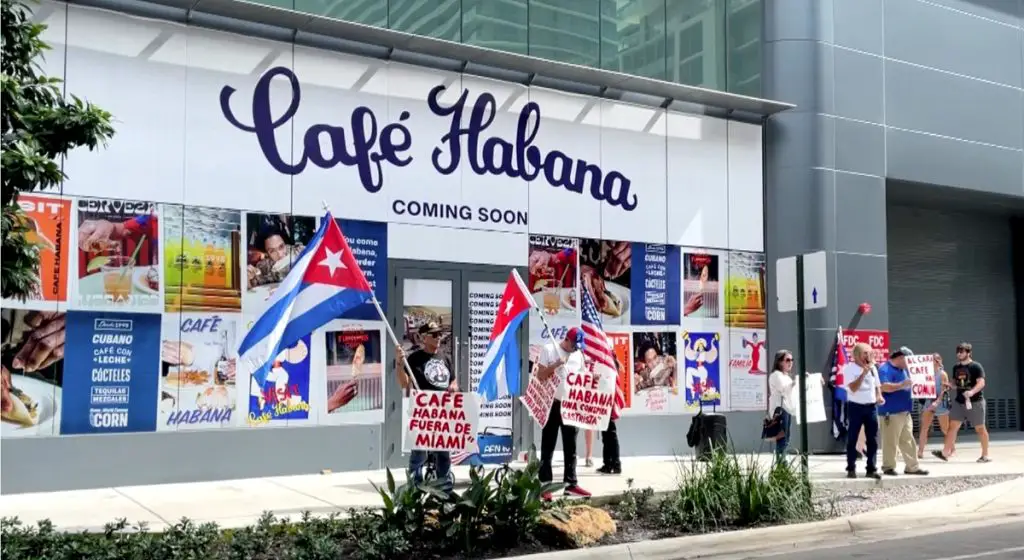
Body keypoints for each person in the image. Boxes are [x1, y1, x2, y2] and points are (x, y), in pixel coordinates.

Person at [395, 322, 458, 490]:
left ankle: (443, 488)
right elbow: (403, 384)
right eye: (434, 335)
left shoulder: (445, 358)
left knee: (444, 454)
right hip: (422, 413)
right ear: (424, 338)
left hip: (442, 413)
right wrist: (399, 365)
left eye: (440, 334)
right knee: (419, 453)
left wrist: (453, 386)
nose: (439, 338)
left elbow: (453, 379)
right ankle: (415, 488)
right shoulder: (414, 359)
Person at [535, 328, 591, 499]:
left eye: (578, 346)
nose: (576, 348)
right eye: (574, 345)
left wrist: (591, 378)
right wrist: (557, 364)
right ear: (566, 339)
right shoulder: (549, 349)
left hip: (570, 405)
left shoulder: (578, 355)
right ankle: (545, 485)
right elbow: (540, 375)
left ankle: (570, 483)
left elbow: (581, 376)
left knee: (571, 446)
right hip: (552, 403)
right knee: (548, 445)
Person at [934, 342, 990, 463]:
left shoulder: (976, 366)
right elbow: (955, 383)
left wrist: (972, 392)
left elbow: (981, 382)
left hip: (975, 402)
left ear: (969, 353)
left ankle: (985, 455)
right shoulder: (956, 367)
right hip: (959, 402)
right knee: (952, 427)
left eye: (962, 351)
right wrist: (950, 385)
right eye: (958, 351)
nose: (959, 354)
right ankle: (945, 453)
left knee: (980, 428)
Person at [877, 348, 928, 476]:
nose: (910, 364)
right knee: (890, 440)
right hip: (891, 412)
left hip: (905, 411)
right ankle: (888, 467)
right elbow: (883, 387)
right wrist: (901, 385)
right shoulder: (884, 369)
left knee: (908, 440)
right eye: (908, 360)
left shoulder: (904, 370)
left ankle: (912, 467)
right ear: (900, 357)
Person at [843, 342, 883, 479]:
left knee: (872, 439)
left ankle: (871, 469)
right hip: (856, 406)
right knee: (852, 438)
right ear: (856, 355)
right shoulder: (849, 369)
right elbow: (853, 388)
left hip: (871, 407)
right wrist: (862, 374)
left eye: (870, 353)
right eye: (865, 353)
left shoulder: (873, 368)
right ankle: (851, 468)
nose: (868, 355)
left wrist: (879, 395)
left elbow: (877, 384)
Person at [918, 353, 952, 458]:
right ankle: (920, 452)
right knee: (924, 427)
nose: (931, 361)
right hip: (929, 401)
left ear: (938, 361)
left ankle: (951, 448)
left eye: (934, 359)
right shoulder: (925, 374)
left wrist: (937, 401)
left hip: (940, 403)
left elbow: (944, 390)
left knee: (945, 429)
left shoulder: (942, 374)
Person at [767, 349, 795, 458]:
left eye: (792, 360)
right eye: (787, 360)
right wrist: (796, 382)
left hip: (786, 409)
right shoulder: (776, 375)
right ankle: (781, 466)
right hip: (779, 411)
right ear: (779, 362)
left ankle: (781, 465)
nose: (790, 362)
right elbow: (785, 389)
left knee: (786, 439)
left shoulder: (786, 376)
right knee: (782, 439)